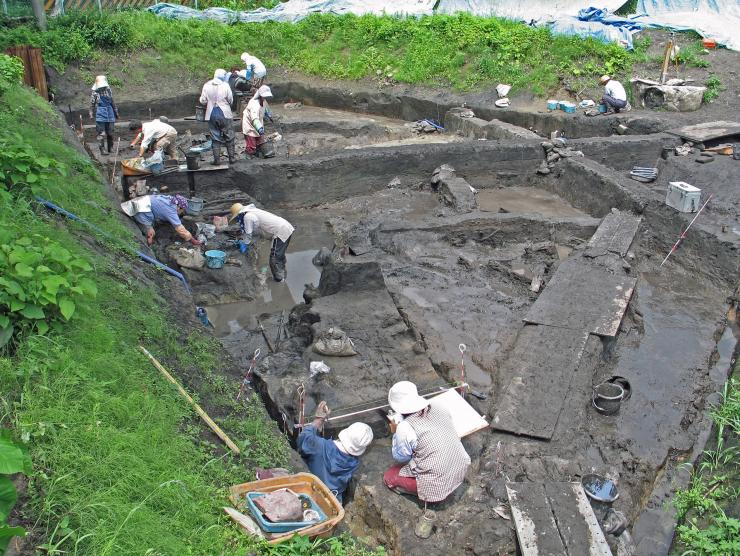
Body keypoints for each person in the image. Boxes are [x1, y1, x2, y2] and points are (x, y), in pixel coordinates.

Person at [383, 381, 470, 504]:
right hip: (460, 466)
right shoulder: (438, 404)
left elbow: (401, 457)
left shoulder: (405, 427)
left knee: (390, 476)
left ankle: (426, 496)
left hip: (438, 484)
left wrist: (396, 433)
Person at [297, 401, 373, 503]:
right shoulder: (354, 464)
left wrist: (319, 419)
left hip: (309, 491)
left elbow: (303, 439)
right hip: (333, 501)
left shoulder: (320, 446)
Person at [228, 203, 294, 282]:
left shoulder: (247, 216)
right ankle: (282, 272)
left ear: (239, 213)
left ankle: (279, 280)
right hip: (285, 227)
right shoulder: (253, 211)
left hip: (281, 231)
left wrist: (243, 243)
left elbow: (248, 235)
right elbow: (257, 229)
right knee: (280, 254)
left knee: (274, 257)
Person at [121, 194, 202, 246]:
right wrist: (192, 239)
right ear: (179, 207)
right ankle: (149, 243)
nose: (181, 212)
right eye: (182, 210)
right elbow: (180, 228)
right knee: (151, 232)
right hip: (141, 210)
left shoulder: (169, 199)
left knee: (157, 222)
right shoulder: (171, 210)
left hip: (140, 202)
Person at [199, 69, 236, 165]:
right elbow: (230, 99)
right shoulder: (225, 85)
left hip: (211, 113)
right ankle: (231, 159)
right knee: (229, 135)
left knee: (215, 137)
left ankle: (217, 160)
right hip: (225, 113)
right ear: (223, 76)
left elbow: (202, 100)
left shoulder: (206, 85)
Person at [89, 75, 119, 156]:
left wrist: (116, 112)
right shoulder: (95, 92)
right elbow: (92, 104)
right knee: (101, 133)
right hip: (100, 113)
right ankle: (102, 149)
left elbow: (112, 101)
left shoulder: (108, 90)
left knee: (110, 132)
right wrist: (91, 113)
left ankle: (111, 147)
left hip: (110, 112)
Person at [242, 85, 273, 158]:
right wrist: (259, 128)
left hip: (258, 121)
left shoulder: (263, 101)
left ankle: (258, 153)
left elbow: (265, 109)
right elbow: (254, 118)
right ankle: (249, 155)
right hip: (250, 123)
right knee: (251, 140)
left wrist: (269, 115)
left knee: (260, 139)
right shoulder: (254, 104)